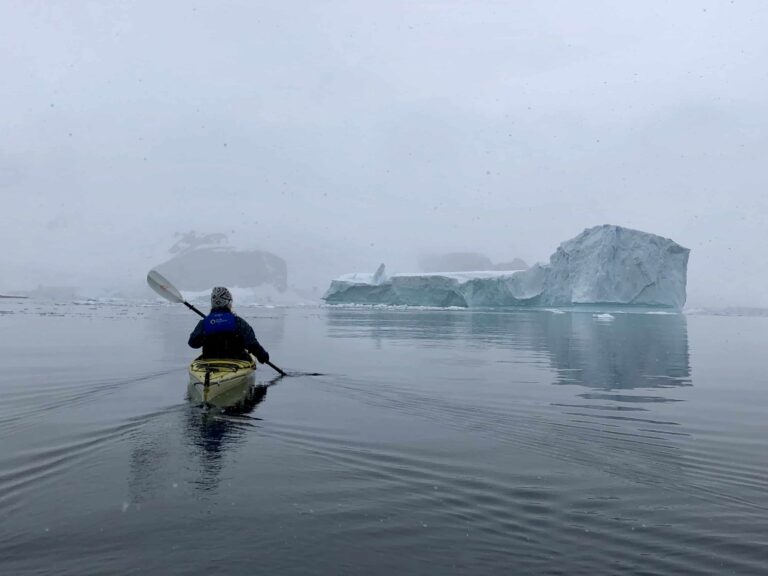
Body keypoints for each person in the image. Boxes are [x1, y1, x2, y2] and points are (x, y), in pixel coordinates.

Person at [188, 287, 270, 364]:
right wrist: (263, 357)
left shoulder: (204, 323)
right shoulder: (238, 322)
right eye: (230, 302)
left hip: (209, 362)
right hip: (236, 362)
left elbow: (193, 343)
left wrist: (206, 335)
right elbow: (252, 344)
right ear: (227, 303)